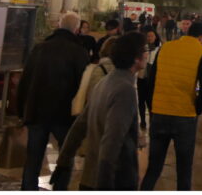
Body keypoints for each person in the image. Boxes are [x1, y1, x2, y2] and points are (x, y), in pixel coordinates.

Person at [52, 32, 148, 191]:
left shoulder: (104, 82)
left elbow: (78, 128)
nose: (147, 53)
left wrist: (63, 162)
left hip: (90, 177)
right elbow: (112, 141)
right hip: (114, 181)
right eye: (145, 50)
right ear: (136, 58)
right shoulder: (125, 90)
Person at [16, 12, 88, 191]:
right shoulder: (79, 52)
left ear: (57, 25)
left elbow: (26, 80)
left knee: (33, 158)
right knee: (65, 157)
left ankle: (27, 189)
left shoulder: (40, 48)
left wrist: (21, 110)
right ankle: (60, 189)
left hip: (37, 111)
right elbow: (82, 86)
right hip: (64, 113)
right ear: (77, 29)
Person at [140, 21, 202, 191]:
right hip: (184, 116)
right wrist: (196, 110)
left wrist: (153, 106)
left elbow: (152, 81)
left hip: (159, 112)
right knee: (184, 171)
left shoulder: (166, 47)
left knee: (154, 168)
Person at [138, 27, 162, 128]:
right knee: (141, 100)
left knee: (151, 101)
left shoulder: (160, 48)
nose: (149, 38)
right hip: (141, 77)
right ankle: (142, 120)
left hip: (153, 79)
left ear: (156, 37)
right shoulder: (142, 47)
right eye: (148, 36)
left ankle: (152, 120)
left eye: (151, 36)